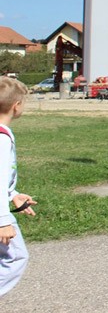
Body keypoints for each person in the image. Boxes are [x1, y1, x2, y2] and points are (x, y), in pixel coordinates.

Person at [0, 77, 37, 297]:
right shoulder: (2, 139)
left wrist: (12, 194)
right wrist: (3, 221)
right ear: (16, 106)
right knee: (16, 258)